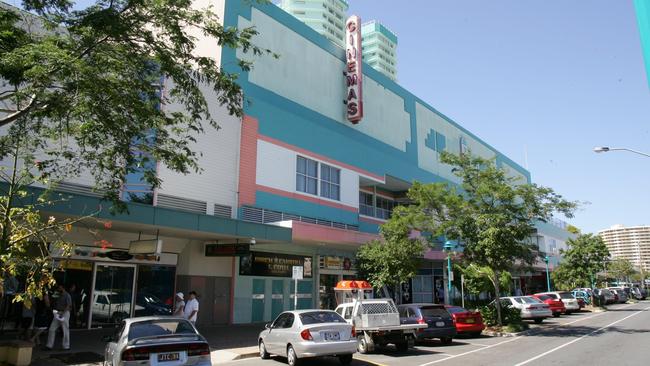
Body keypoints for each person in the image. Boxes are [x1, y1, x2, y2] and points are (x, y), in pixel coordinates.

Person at [46, 284, 71, 350]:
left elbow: (68, 305)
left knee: (65, 329)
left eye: (60, 288)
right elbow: (53, 300)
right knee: (52, 329)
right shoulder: (57, 294)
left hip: (64, 312)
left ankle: (66, 346)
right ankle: (49, 346)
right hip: (58, 312)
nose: (58, 289)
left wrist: (62, 312)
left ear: (63, 288)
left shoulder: (67, 295)